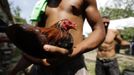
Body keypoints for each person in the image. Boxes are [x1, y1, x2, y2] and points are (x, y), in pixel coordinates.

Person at [10, 0, 106, 75]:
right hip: (43, 65)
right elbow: (35, 41)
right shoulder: (43, 3)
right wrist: (14, 71)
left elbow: (99, 30)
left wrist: (72, 53)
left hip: (73, 63)